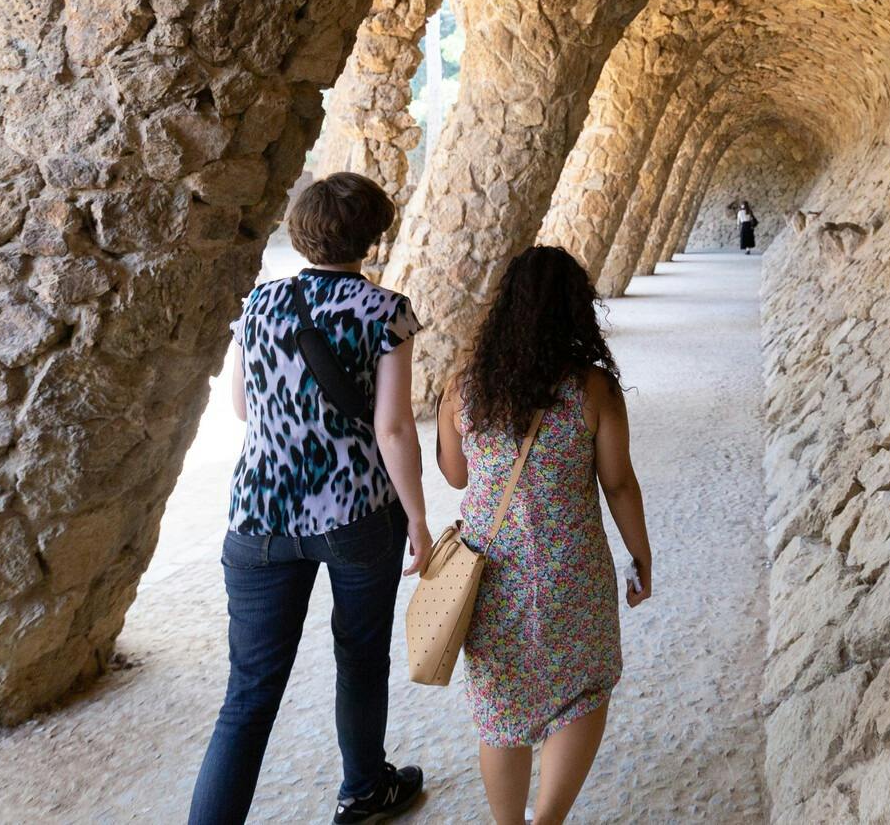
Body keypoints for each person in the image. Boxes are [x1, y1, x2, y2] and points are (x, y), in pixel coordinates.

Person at [188, 172, 433, 825]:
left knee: (248, 693)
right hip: (355, 514)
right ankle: (362, 791)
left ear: (303, 233)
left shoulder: (262, 304)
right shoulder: (385, 311)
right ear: (372, 235)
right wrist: (417, 516)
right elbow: (394, 428)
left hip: (258, 518)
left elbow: (243, 406)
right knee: (359, 653)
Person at [437, 245, 653, 825]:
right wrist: (640, 554)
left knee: (501, 709)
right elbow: (619, 482)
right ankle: (548, 818)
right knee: (582, 690)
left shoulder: (464, 388)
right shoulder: (593, 388)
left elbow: (456, 474)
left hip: (489, 570)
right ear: (577, 311)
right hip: (572, 570)